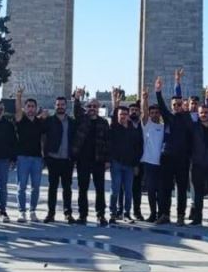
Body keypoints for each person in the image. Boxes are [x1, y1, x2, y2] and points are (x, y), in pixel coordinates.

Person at [159, 70, 193, 225]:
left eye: (180, 104)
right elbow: (161, 107)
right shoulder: (169, 117)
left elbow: (178, 97)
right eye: (174, 105)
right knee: (165, 187)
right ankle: (164, 214)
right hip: (167, 157)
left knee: (181, 190)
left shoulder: (187, 118)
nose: (177, 106)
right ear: (171, 106)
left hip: (182, 159)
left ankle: (180, 215)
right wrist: (158, 92)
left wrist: (177, 83)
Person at [72, 90, 111, 226]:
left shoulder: (103, 122)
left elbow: (108, 142)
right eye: (90, 106)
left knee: (100, 189)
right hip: (83, 161)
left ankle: (101, 215)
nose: (92, 109)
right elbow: (76, 110)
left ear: (98, 108)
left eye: (95, 106)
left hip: (98, 161)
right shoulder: (82, 119)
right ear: (86, 108)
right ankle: (83, 215)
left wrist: (107, 160)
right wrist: (77, 98)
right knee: (83, 189)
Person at [187, 88, 208, 228]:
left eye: (206, 113)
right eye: (201, 113)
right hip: (197, 165)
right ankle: (197, 218)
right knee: (198, 194)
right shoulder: (194, 127)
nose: (203, 115)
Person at [108, 89, 143, 224]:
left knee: (128, 192)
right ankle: (113, 213)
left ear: (128, 116)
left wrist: (135, 165)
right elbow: (113, 118)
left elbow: (137, 148)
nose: (123, 116)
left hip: (129, 165)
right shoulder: (114, 128)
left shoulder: (133, 130)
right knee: (115, 190)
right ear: (118, 116)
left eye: (125, 114)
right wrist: (115, 104)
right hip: (116, 163)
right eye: (120, 114)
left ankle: (127, 214)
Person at [43, 94, 77, 223]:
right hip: (53, 159)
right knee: (52, 188)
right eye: (58, 105)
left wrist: (73, 157)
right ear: (55, 106)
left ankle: (68, 213)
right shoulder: (49, 121)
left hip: (67, 160)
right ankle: (51, 213)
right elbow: (41, 135)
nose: (60, 107)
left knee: (67, 188)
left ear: (66, 106)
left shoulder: (72, 122)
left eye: (62, 105)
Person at [14, 91, 44, 223]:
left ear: (36, 108)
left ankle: (32, 211)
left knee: (36, 187)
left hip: (37, 158)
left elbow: (44, 139)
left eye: (33, 106)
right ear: (25, 108)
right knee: (22, 186)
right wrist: (19, 97)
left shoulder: (40, 122)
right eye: (29, 106)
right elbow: (17, 110)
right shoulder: (21, 120)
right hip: (23, 157)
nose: (31, 108)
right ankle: (22, 212)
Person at [140, 85, 168, 222]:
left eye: (157, 112)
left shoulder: (164, 127)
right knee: (151, 191)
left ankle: (162, 214)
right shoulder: (147, 125)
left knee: (161, 191)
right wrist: (145, 99)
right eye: (152, 113)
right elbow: (143, 113)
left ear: (160, 114)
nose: (154, 115)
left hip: (162, 164)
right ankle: (152, 214)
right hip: (149, 163)